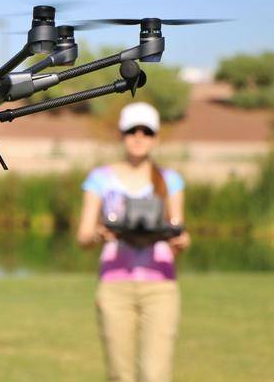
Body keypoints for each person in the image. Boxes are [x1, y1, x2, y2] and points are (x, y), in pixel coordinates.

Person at [76, 102, 191, 382]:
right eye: (132, 131)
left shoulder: (169, 180)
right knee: (120, 375)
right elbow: (83, 237)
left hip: (160, 287)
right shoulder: (100, 179)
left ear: (156, 138)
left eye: (146, 131)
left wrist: (181, 240)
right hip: (115, 287)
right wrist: (100, 234)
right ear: (121, 135)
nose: (139, 137)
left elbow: (178, 231)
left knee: (155, 375)